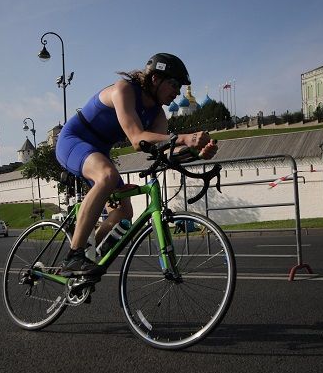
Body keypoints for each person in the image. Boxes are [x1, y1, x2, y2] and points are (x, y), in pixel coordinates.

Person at [55, 53, 217, 277]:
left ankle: (87, 256)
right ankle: (74, 255)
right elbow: (137, 138)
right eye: (173, 84)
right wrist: (185, 137)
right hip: (73, 141)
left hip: (99, 152)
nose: (177, 92)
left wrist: (197, 152)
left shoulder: (158, 113)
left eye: (179, 88)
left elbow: (164, 147)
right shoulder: (124, 90)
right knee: (107, 175)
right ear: (155, 79)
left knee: (124, 212)